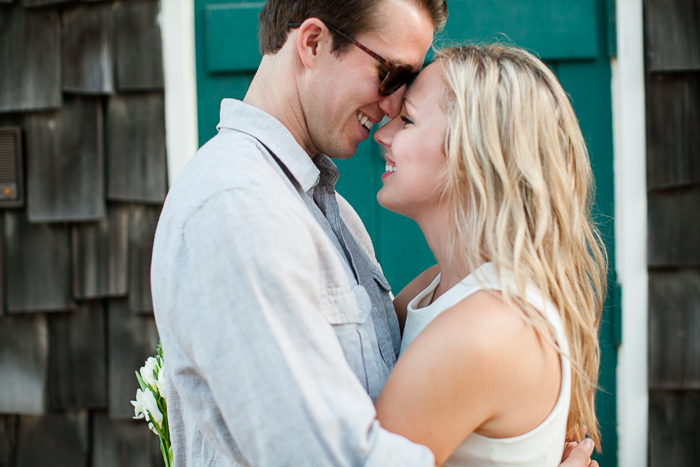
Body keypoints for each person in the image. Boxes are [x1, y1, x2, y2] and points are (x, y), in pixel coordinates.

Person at [150, 0, 598, 464]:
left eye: (406, 100)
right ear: (313, 43)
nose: (389, 109)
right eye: (390, 75)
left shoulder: (336, 216)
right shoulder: (237, 204)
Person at [371, 45, 607, 466]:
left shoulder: (483, 332)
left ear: (470, 154)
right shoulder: (435, 289)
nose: (383, 134)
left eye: (407, 119)